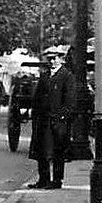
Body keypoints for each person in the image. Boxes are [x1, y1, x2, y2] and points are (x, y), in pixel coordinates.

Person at [28, 47, 76, 189]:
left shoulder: (67, 76)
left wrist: (62, 116)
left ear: (62, 59)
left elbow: (70, 100)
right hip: (44, 120)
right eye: (51, 59)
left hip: (58, 121)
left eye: (56, 58)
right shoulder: (45, 76)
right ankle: (43, 179)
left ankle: (56, 180)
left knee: (57, 152)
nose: (53, 61)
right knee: (42, 151)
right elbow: (37, 98)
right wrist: (36, 114)